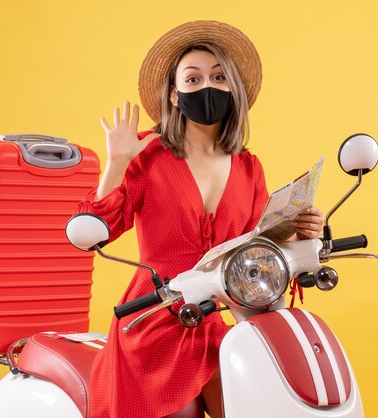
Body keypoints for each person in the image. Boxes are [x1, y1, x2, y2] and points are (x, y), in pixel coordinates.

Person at [77, 20, 324, 418]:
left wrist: (298, 231)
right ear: (174, 95)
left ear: (234, 89)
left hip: (219, 316)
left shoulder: (248, 167)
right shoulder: (148, 156)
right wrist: (118, 162)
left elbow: (256, 246)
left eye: (219, 76)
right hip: (155, 312)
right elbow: (98, 224)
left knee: (256, 404)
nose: (206, 86)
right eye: (192, 79)